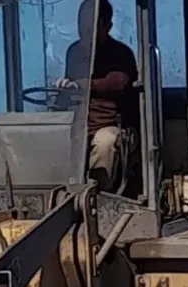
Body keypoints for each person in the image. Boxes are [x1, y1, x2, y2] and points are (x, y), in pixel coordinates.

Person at [55, 0, 138, 192]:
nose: (83, 30)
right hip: (79, 125)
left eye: (89, 24)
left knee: (105, 143)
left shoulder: (121, 53)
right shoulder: (74, 52)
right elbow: (71, 89)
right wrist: (63, 88)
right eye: (81, 23)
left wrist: (82, 85)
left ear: (107, 26)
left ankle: (100, 196)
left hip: (114, 126)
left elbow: (119, 82)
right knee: (50, 137)